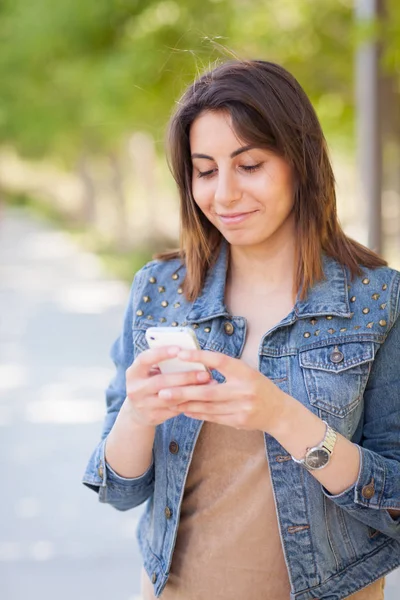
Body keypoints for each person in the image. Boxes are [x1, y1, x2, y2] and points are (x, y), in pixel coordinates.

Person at [82, 60, 400, 600]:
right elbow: (117, 489)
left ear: (299, 162)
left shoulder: (375, 300)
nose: (224, 194)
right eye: (205, 171)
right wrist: (138, 413)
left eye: (248, 164)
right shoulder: (160, 290)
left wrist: (280, 416)